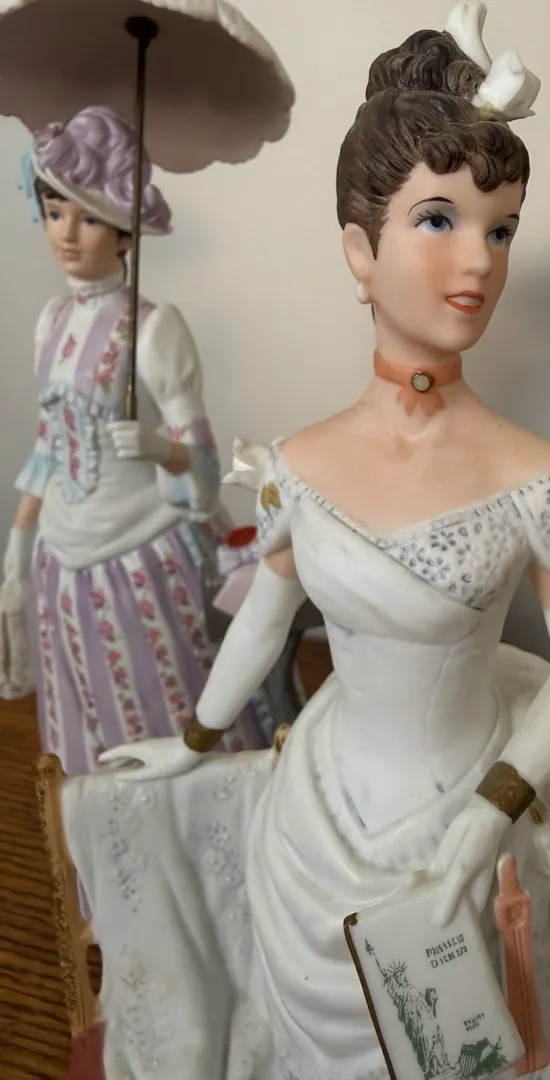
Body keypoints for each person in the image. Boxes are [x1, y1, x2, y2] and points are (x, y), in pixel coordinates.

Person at [66, 8, 550, 1077]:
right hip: (317, 815)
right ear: (360, 250)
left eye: (501, 229)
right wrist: (196, 740)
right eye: (440, 219)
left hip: (472, 809)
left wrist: (484, 824)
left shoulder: (545, 481)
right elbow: (266, 619)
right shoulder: (297, 465)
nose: (478, 260)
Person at [0, 105, 281, 772]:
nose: (67, 234)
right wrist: (20, 542)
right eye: (56, 212)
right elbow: (48, 448)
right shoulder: (50, 321)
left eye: (90, 218)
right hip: (62, 559)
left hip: (140, 556)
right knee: (84, 708)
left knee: (163, 697)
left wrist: (161, 449)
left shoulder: (154, 329)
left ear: (127, 233)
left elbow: (203, 468)